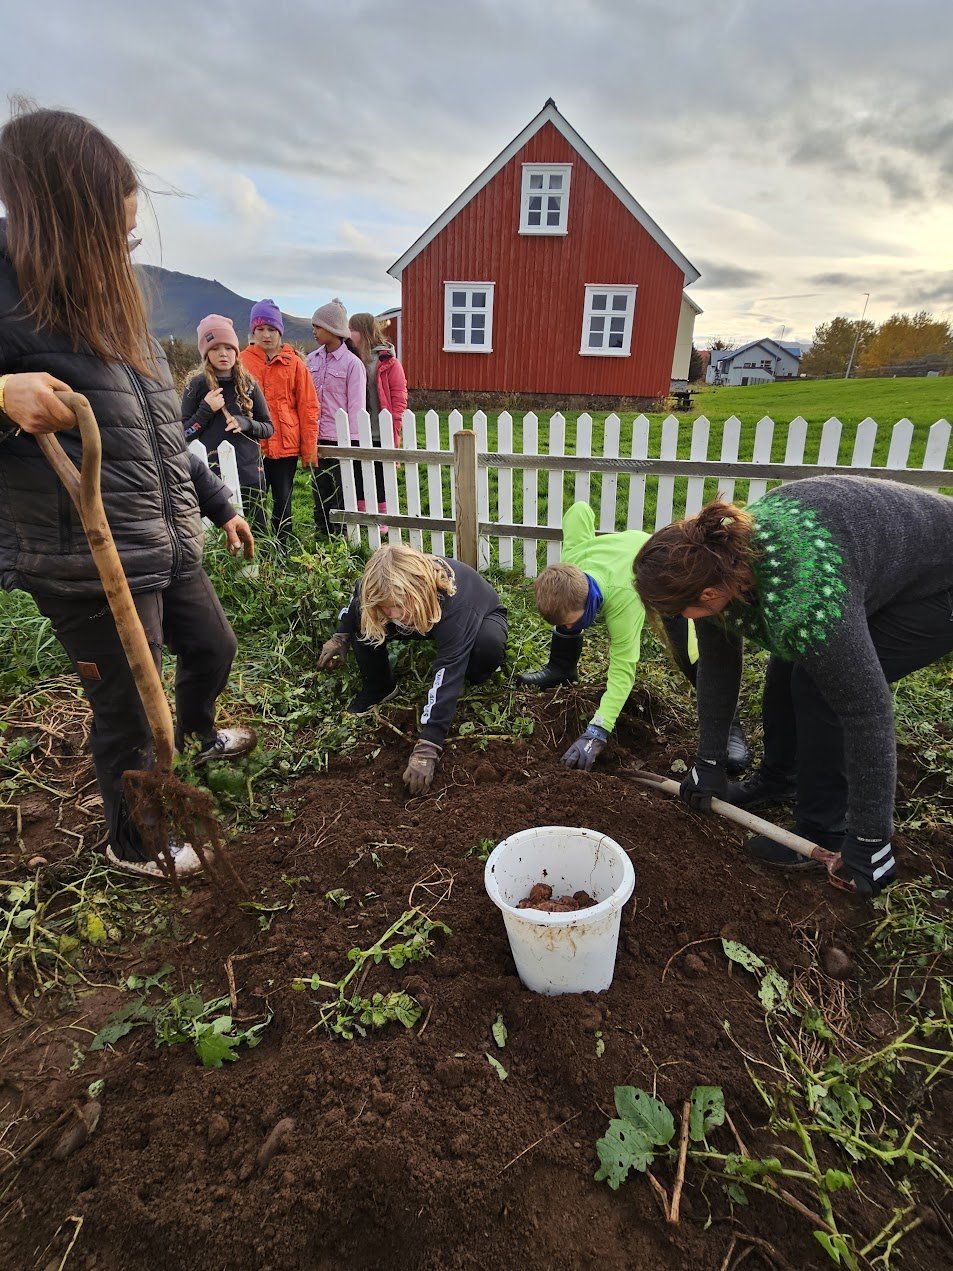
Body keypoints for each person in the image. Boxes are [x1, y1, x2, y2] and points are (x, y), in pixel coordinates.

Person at [0, 104, 257, 881]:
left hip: (161, 536)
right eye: (116, 231)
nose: (125, 246)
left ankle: (198, 734)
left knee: (213, 647)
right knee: (125, 713)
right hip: (82, 555)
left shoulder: (115, 310)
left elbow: (159, 438)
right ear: (65, 216)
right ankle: (132, 843)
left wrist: (219, 504)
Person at [633, 476, 953, 896]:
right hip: (870, 554)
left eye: (681, 611)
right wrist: (708, 761)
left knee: (819, 686)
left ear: (709, 593)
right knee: (793, 661)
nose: (683, 619)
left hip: (937, 585)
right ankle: (782, 777)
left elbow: (866, 710)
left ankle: (828, 828)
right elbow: (718, 663)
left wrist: (872, 837)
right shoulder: (716, 563)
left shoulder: (806, 602)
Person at [518, 502, 750, 773]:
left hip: (662, 573)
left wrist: (597, 730)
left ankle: (730, 728)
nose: (570, 629)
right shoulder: (572, 562)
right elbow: (579, 509)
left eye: (575, 624)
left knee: (690, 653)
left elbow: (623, 669)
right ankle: (562, 668)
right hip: (623, 556)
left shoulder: (622, 603)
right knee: (563, 613)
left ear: (592, 603)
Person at [316, 544, 507, 794]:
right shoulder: (379, 588)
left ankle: (475, 672)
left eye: (399, 604)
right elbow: (357, 602)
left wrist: (428, 746)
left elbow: (448, 669)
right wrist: (341, 635)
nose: (395, 614)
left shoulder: (455, 603)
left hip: (480, 616)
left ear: (418, 588)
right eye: (388, 607)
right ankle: (379, 688)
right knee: (366, 620)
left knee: (486, 648)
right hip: (422, 610)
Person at [181, 315, 274, 534]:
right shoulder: (195, 387)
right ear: (205, 353)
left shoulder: (248, 384)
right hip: (211, 478)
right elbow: (182, 433)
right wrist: (205, 410)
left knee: (258, 532)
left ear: (236, 351)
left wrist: (245, 423)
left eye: (229, 348)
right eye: (215, 348)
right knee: (218, 536)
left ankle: (260, 568)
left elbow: (268, 427)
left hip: (250, 474)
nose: (223, 353)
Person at [239, 300, 319, 546]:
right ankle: (259, 544)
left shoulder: (294, 363)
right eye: (260, 329)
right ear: (253, 331)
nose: (265, 335)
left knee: (283, 499)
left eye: (271, 329)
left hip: (286, 444)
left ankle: (283, 544)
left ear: (280, 332)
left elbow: (308, 406)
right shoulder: (241, 361)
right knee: (254, 497)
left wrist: (309, 449)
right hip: (252, 443)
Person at [307, 299, 367, 536]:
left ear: (332, 329)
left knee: (343, 487)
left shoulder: (353, 364)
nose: (314, 331)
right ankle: (322, 529)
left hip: (341, 440)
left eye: (318, 327)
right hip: (317, 438)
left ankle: (342, 531)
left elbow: (356, 406)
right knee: (318, 486)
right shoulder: (311, 360)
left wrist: (351, 443)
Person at [347, 311, 408, 518]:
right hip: (355, 429)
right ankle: (363, 511)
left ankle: (383, 514)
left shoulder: (387, 361)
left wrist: (395, 421)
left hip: (380, 428)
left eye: (352, 329)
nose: (348, 334)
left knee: (382, 473)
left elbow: (399, 394)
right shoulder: (351, 358)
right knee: (358, 470)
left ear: (363, 331)